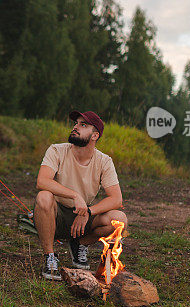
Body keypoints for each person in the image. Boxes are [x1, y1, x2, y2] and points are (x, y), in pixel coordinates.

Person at [34, 110, 126, 280]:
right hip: (56, 215)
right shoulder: (56, 150)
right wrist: (75, 196)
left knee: (119, 219)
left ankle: (79, 244)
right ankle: (50, 257)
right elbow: (42, 181)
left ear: (95, 136)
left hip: (82, 219)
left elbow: (116, 198)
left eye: (83, 125)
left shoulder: (104, 161)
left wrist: (88, 212)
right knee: (44, 197)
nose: (75, 127)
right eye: (76, 123)